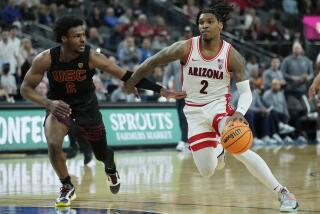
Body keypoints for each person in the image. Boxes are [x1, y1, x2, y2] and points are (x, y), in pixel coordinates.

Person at [123, 1, 298, 212]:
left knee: (240, 148)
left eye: (209, 22)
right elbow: (153, 61)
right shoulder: (186, 47)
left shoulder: (232, 55)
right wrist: (131, 82)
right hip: (194, 112)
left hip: (219, 108)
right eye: (201, 22)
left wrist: (240, 113)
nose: (204, 25)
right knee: (206, 171)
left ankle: (283, 193)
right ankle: (219, 149)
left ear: (220, 25)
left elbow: (246, 93)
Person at [20, 16, 185, 207]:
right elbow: (25, 88)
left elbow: (126, 76)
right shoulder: (45, 58)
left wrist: (160, 89)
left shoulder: (91, 56)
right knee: (53, 142)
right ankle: (66, 186)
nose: (83, 39)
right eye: (77, 36)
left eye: (83, 35)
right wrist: (48, 103)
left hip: (87, 108)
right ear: (63, 39)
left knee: (101, 154)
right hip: (60, 107)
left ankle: (110, 166)